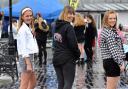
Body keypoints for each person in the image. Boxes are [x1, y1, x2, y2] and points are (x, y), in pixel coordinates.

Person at [53, 6, 80, 89]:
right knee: (68, 84)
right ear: (64, 14)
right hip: (67, 59)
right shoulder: (69, 27)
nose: (71, 16)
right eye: (69, 13)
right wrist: (77, 55)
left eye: (72, 14)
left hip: (56, 58)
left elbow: (55, 42)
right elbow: (73, 44)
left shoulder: (55, 26)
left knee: (61, 84)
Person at [100, 10, 125, 89]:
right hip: (112, 62)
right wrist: (121, 63)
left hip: (110, 61)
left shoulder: (109, 30)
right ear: (106, 19)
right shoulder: (109, 32)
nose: (113, 20)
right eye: (110, 18)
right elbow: (114, 50)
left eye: (114, 18)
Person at [17, 7, 38, 89]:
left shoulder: (28, 28)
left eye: (30, 15)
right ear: (22, 17)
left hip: (30, 57)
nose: (29, 17)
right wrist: (28, 63)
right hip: (26, 58)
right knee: (24, 85)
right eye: (27, 16)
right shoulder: (22, 30)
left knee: (33, 84)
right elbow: (23, 48)